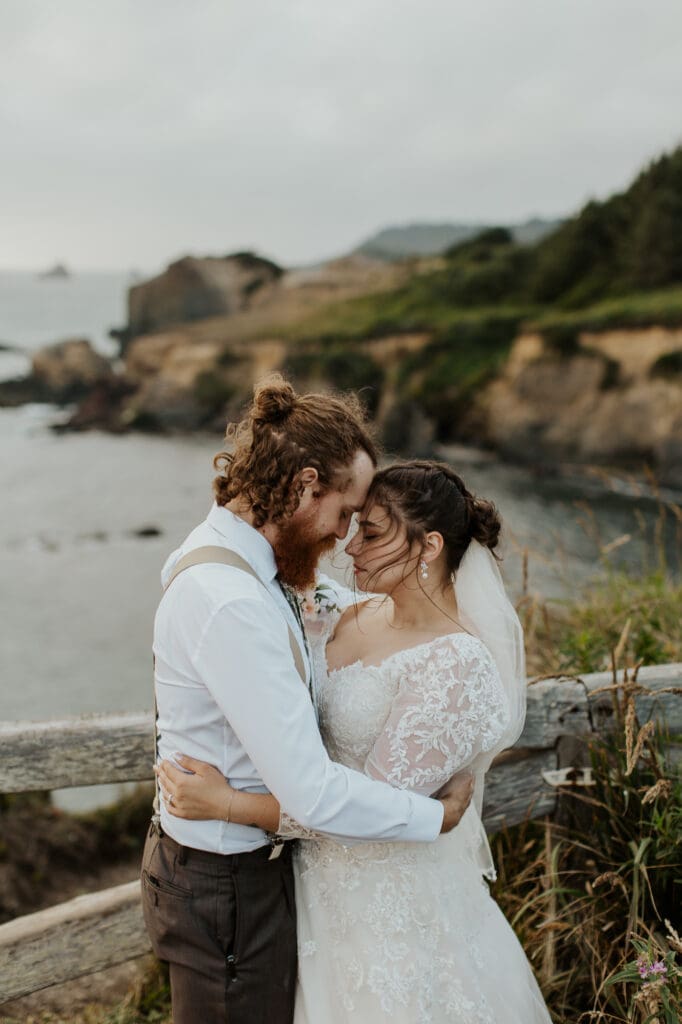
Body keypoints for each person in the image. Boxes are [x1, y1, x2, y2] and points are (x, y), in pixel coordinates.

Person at [158, 460, 554, 1023]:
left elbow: (371, 809)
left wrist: (227, 805)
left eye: (370, 532)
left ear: (429, 545)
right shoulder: (349, 611)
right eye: (354, 524)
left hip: (385, 915)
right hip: (310, 899)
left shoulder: (457, 665)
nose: (350, 548)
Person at [141, 380, 475, 1024]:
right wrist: (434, 819)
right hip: (226, 885)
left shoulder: (254, 570)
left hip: (240, 875)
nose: (346, 536)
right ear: (303, 485)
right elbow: (313, 795)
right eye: (345, 511)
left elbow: (333, 610)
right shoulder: (232, 599)